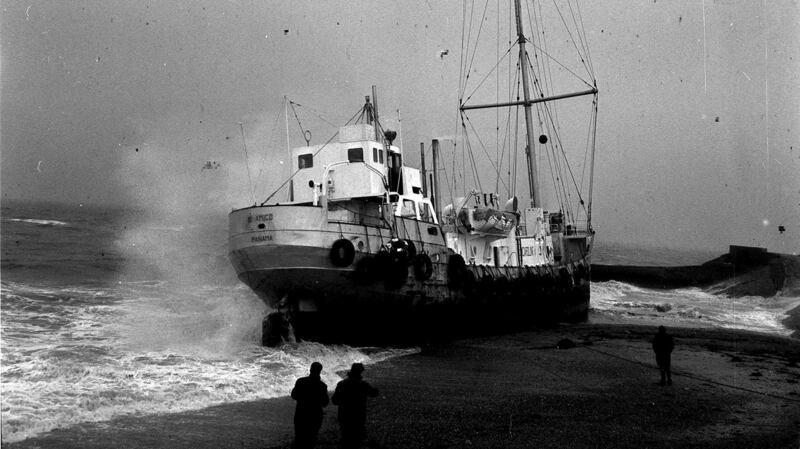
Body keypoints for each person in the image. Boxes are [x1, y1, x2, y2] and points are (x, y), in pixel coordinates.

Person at [331, 363, 379, 448]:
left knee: (345, 439)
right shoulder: (363, 384)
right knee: (357, 441)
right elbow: (374, 393)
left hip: (344, 416)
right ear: (360, 372)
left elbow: (335, 401)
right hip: (358, 416)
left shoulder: (341, 383)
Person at [291, 362, 329, 449]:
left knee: (299, 439)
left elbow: (294, 396)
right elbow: (325, 403)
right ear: (320, 371)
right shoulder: (323, 386)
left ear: (310, 369)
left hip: (301, 414)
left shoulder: (300, 381)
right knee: (312, 439)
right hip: (315, 415)